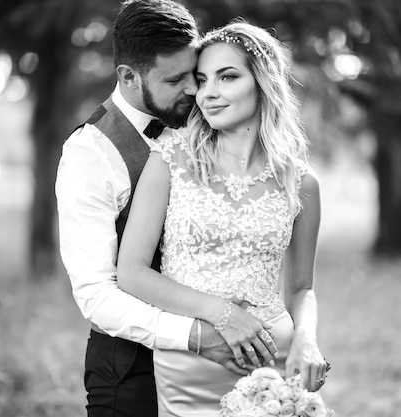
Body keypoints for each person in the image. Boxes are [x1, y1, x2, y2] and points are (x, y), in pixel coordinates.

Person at [55, 2, 277, 416]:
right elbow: (96, 295)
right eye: (175, 80)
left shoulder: (206, 116)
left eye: (192, 75)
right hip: (131, 370)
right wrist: (196, 333)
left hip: (221, 361)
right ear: (128, 77)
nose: (195, 91)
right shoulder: (90, 153)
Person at [117, 20, 329, 416]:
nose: (209, 93)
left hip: (274, 359)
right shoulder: (169, 164)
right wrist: (223, 314)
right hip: (192, 364)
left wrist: (307, 338)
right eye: (202, 79)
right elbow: (131, 272)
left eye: (227, 77)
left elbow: (301, 288)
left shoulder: (302, 183)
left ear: (262, 82)